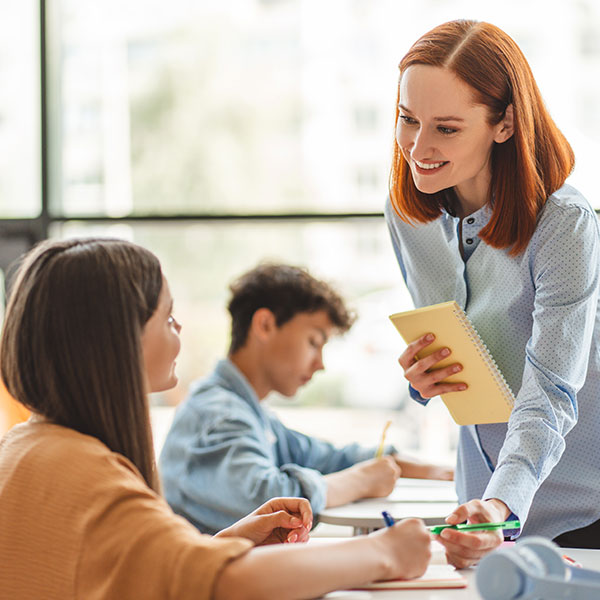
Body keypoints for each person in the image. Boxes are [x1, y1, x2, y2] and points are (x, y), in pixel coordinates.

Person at [0, 238, 432, 600]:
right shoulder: (88, 473)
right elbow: (225, 583)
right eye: (167, 316)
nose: (180, 328)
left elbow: (146, 571)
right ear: (117, 338)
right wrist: (384, 552)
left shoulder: (31, 447)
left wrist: (227, 542)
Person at [385, 19, 600, 568]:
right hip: (478, 508)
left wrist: (504, 506)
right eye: (409, 120)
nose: (419, 147)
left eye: (447, 129)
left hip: (578, 512)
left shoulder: (563, 224)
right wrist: (423, 380)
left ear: (504, 124)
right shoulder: (409, 213)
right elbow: (463, 350)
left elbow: (551, 391)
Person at [160, 263, 452, 534]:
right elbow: (267, 501)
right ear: (264, 325)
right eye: (314, 342)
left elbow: (325, 457)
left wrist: (435, 471)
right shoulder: (218, 414)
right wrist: (360, 481)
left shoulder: (250, 413)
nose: (320, 364)